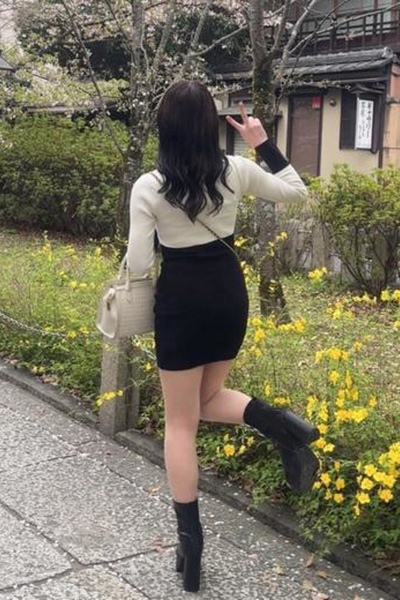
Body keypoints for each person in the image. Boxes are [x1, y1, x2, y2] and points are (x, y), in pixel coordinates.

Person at [127, 80, 320, 593]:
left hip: (181, 303)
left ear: (165, 127)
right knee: (204, 401)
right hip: (228, 296)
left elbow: (140, 263)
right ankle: (279, 425)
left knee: (180, 424)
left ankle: (190, 545)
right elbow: (297, 193)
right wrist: (262, 142)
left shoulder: (149, 186)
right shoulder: (235, 170)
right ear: (209, 125)